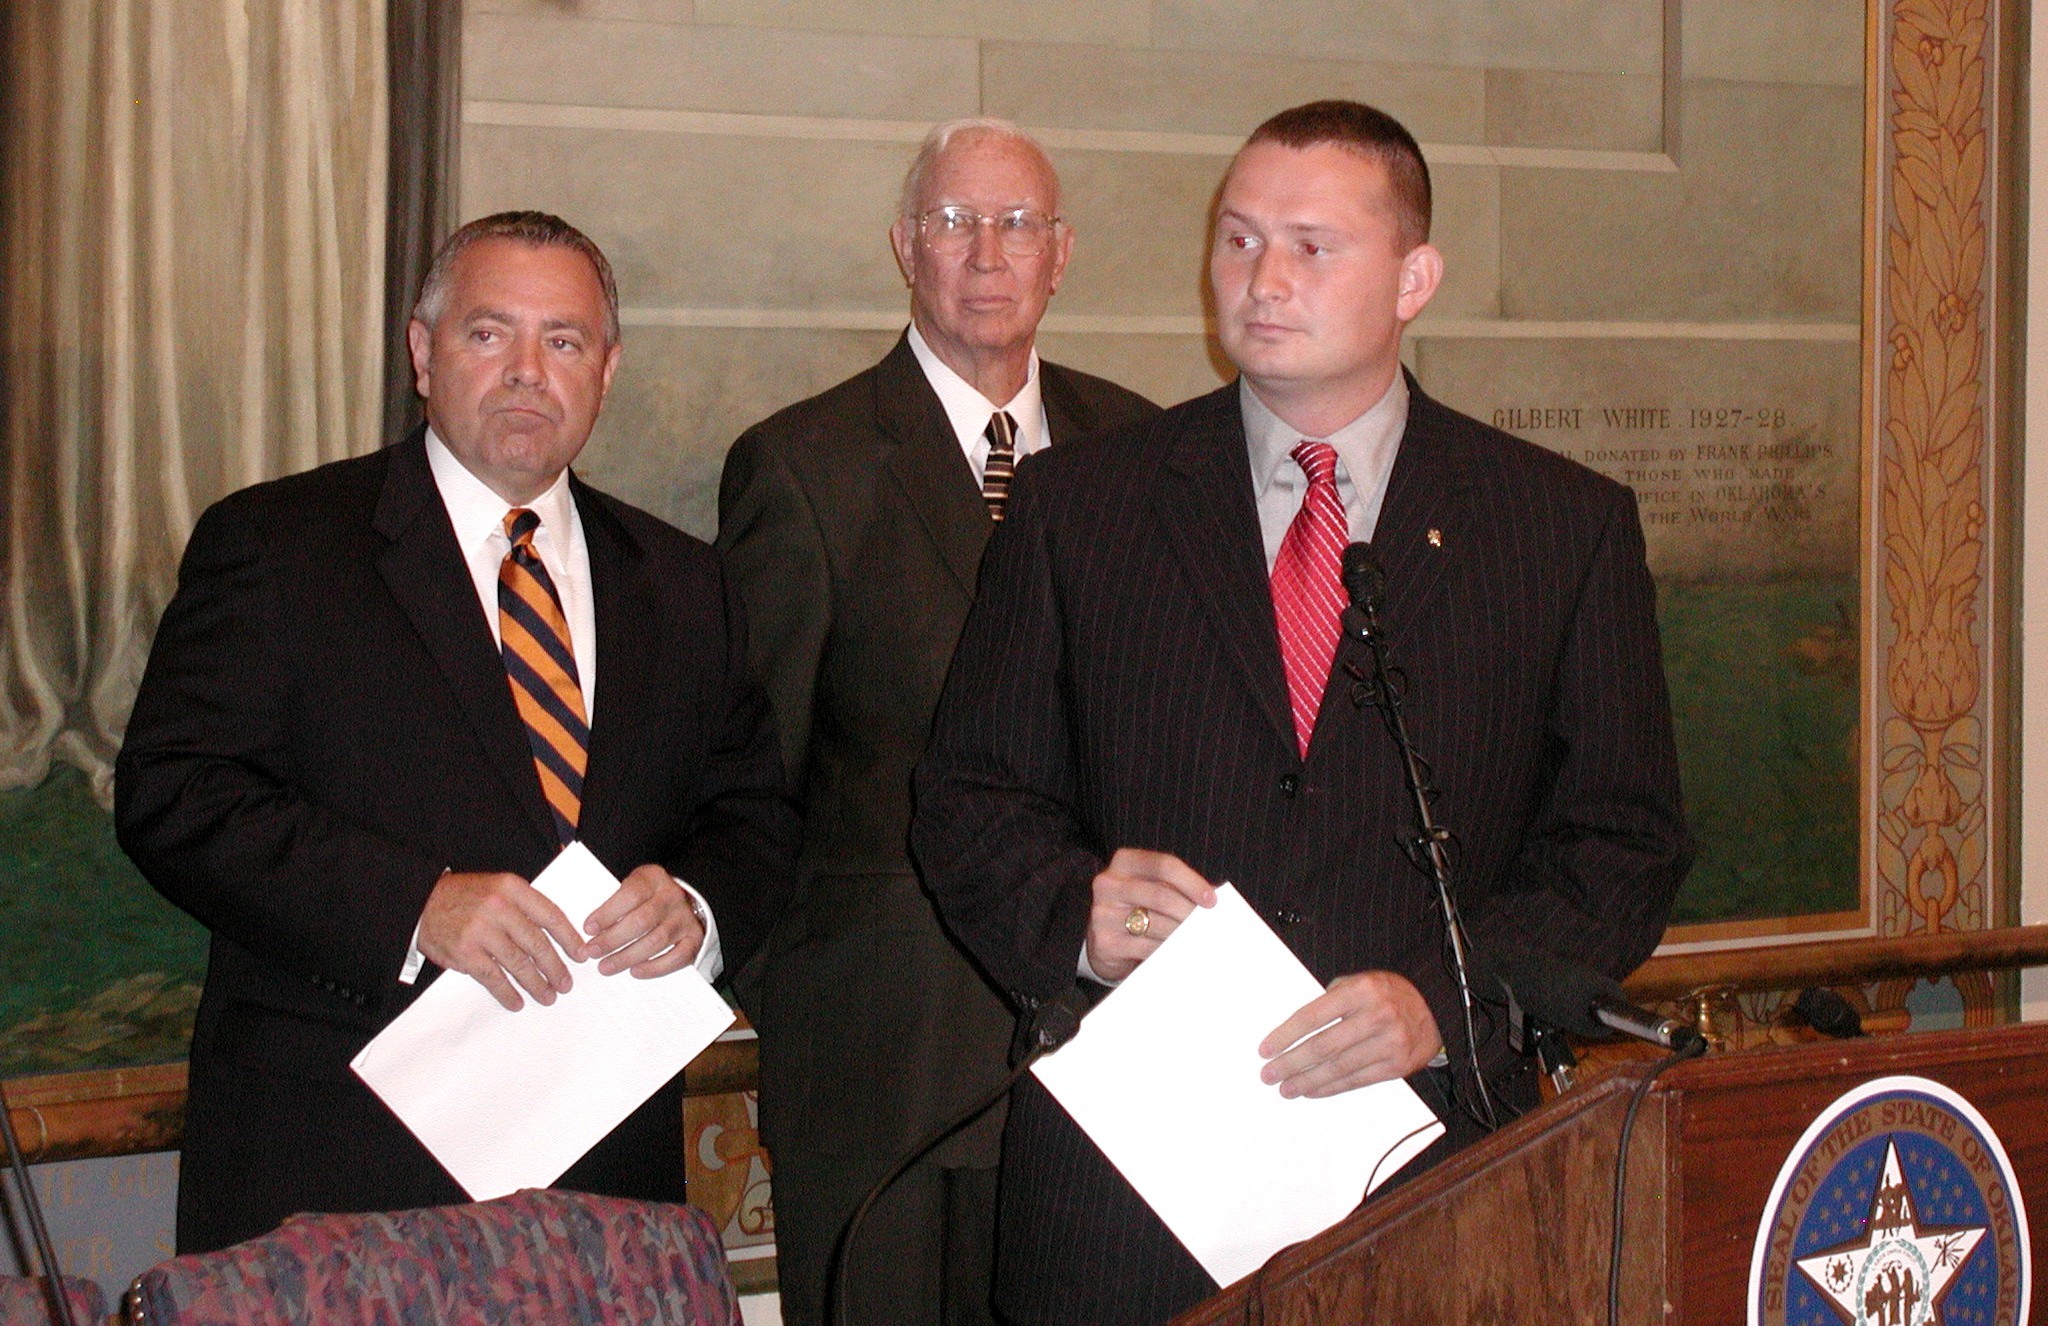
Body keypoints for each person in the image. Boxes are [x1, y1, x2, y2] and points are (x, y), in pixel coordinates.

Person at [911, 101, 1694, 1324]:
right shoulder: (1083, 510)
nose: (1261, 280)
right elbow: (968, 800)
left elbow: (1622, 842)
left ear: (1413, 278)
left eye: (1311, 246)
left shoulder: (1556, 528)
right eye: (1236, 241)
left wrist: (1444, 1003)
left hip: (1434, 1182)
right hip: (1130, 1204)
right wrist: (1074, 913)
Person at [115, 211, 799, 1254]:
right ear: (422, 353)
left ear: (605, 370)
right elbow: (176, 795)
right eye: (489, 333)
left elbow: (751, 816)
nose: (528, 371)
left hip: (603, 1191)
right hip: (337, 1174)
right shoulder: (279, 545)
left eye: (562, 341)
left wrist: (697, 911)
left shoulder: (685, 583)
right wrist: (415, 906)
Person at [716, 119, 1158, 1325]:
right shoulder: (801, 467)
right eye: (955, 223)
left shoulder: (1147, 448)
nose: (986, 253)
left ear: (1059, 254)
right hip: (885, 1065)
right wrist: (814, 1001)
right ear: (904, 246)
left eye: (1016, 225)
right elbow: (751, 781)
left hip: (1115, 1060)